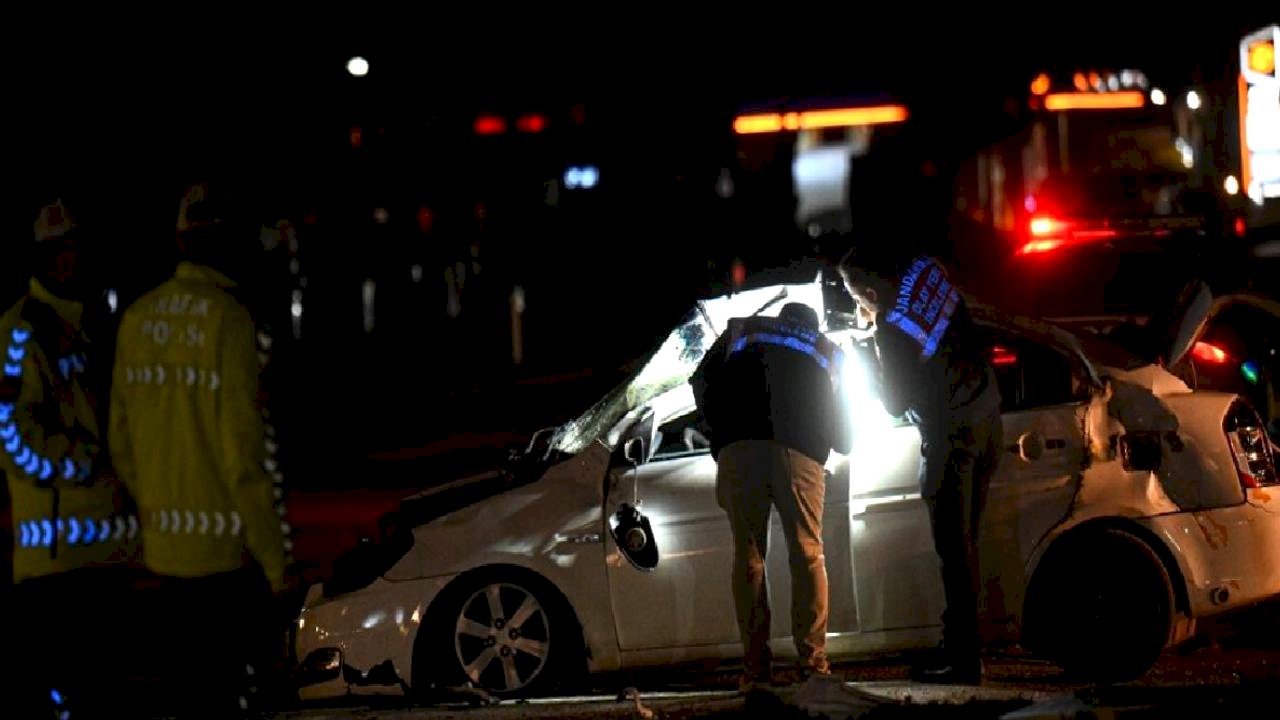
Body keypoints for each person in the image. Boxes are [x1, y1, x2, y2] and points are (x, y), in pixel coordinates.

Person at [109, 179, 289, 718]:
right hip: (226, 563)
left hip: (165, 556)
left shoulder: (138, 319)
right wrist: (277, 564)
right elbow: (243, 458)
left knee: (185, 698)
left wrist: (155, 506)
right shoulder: (229, 319)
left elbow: (120, 438)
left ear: (180, 242)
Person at [1, 197, 141, 718]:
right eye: (59, 251)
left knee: (103, 699)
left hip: (107, 556)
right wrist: (84, 460)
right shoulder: (19, 331)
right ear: (39, 257)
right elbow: (13, 440)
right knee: (70, 701)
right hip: (54, 564)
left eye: (77, 249)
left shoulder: (98, 326)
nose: (71, 261)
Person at [837, 243, 1002, 685]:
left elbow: (894, 403)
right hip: (987, 412)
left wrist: (866, 354)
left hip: (952, 436)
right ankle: (959, 647)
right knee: (966, 547)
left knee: (954, 551)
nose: (857, 305)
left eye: (855, 297)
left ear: (868, 289)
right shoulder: (927, 272)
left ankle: (964, 662)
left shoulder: (892, 330)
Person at [689, 302, 852, 691]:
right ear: (812, 326)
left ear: (781, 319)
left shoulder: (742, 330)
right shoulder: (828, 350)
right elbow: (846, 437)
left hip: (738, 449)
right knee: (807, 554)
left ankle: (756, 673)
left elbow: (699, 381)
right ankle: (813, 667)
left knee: (749, 559)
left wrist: (721, 431)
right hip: (798, 453)